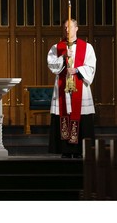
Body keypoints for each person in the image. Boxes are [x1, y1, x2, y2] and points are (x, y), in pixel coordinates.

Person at [47, 18, 96, 158]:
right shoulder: (57, 47)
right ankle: (66, 150)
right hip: (63, 89)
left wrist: (77, 70)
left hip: (80, 87)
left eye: (70, 27)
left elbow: (91, 67)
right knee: (63, 115)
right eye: (65, 27)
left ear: (77, 28)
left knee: (82, 116)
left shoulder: (87, 47)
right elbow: (51, 65)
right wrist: (63, 57)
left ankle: (81, 150)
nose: (67, 30)